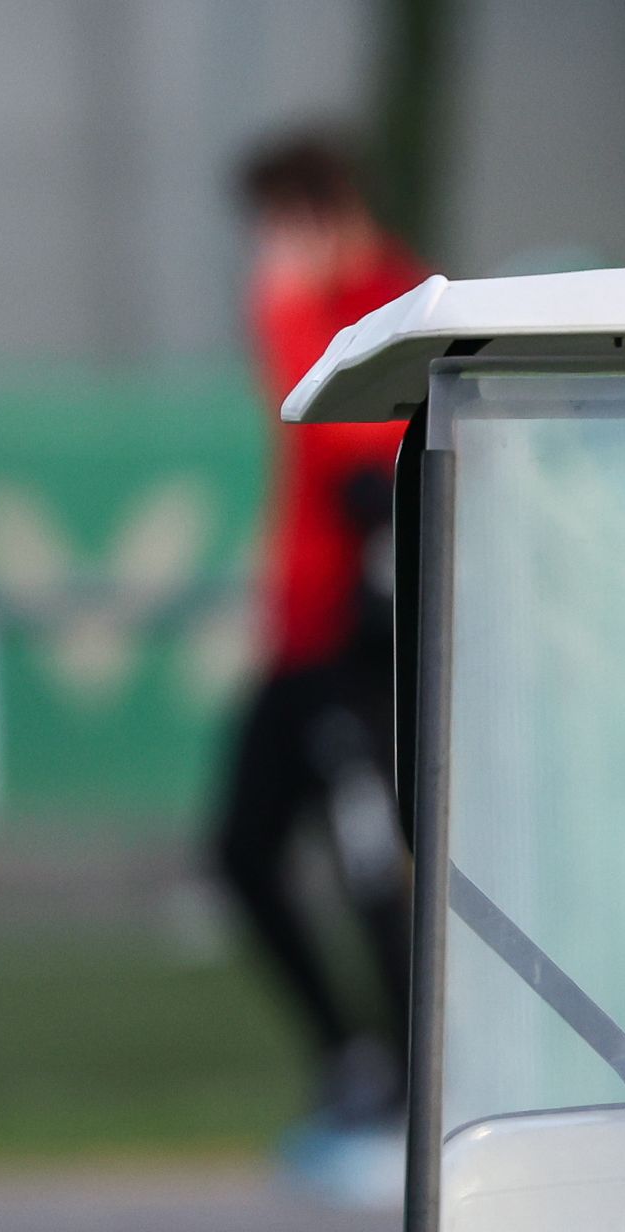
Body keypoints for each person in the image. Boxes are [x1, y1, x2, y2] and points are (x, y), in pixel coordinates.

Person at [211, 129, 423, 1166]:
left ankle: (416, 1084)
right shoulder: (305, 309)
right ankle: (351, 1058)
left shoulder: (399, 303)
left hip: (361, 647)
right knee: (241, 851)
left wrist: (285, 311)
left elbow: (350, 431)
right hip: (298, 641)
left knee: (372, 861)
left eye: (278, 226)